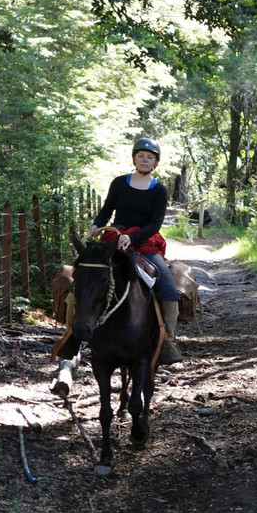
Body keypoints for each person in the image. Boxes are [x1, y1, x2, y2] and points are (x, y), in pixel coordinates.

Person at [56, 137, 182, 365]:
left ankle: (167, 340)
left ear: (156, 163)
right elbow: (106, 210)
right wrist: (97, 224)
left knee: (167, 286)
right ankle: (72, 335)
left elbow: (156, 223)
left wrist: (132, 237)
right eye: (141, 156)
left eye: (150, 157)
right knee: (81, 282)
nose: (145, 160)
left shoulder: (159, 190)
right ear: (134, 158)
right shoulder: (119, 183)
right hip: (115, 238)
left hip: (145, 241)